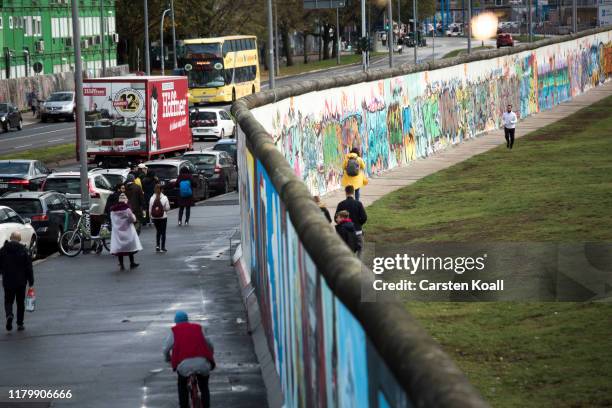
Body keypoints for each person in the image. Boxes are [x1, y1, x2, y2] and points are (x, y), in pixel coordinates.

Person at [163, 311, 215, 408]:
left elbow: (166, 349)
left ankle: (184, 405)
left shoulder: (175, 330)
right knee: (204, 387)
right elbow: (210, 344)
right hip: (202, 363)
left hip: (184, 366)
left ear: (176, 322)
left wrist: (167, 358)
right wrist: (211, 354)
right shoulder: (198, 328)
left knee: (182, 385)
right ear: (187, 320)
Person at [0, 232, 34, 331]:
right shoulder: (24, 250)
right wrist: (31, 281)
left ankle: (9, 315)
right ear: (19, 239)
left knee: (8, 301)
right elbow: (29, 267)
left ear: (11, 238)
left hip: (8, 281)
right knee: (20, 303)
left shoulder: (3, 250)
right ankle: (20, 323)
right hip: (21, 281)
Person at [110, 193, 142, 270]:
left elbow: (112, 220)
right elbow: (132, 219)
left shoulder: (113, 210)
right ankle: (132, 263)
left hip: (117, 232)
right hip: (128, 230)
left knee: (120, 249)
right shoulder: (127, 209)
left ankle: (121, 265)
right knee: (130, 247)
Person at [335, 185, 367, 257]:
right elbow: (364, 217)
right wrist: (359, 224)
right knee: (360, 249)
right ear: (353, 192)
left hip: (344, 233)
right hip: (357, 231)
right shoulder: (358, 204)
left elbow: (335, 219)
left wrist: (341, 225)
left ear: (345, 192)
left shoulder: (341, 204)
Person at [149, 184, 170, 252]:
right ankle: (163, 247)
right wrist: (164, 210)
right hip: (163, 217)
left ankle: (157, 246)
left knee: (158, 231)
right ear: (161, 190)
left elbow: (150, 209)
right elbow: (167, 208)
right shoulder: (164, 198)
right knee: (163, 232)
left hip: (154, 217)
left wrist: (151, 217)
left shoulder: (152, 198)